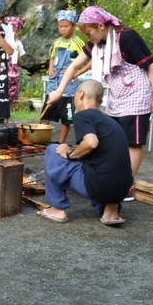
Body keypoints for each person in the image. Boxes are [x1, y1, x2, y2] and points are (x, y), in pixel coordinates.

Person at [46, 5, 153, 201]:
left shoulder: (126, 37)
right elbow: (75, 65)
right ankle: (112, 180)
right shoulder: (98, 41)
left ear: (101, 25)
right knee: (115, 140)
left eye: (89, 32)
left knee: (132, 143)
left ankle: (126, 186)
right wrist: (59, 91)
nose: (88, 37)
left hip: (138, 94)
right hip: (119, 95)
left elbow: (151, 66)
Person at [38, 80, 132, 225]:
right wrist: (75, 151)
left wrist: (69, 154)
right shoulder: (110, 122)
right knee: (97, 166)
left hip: (99, 187)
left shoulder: (83, 115)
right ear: (100, 101)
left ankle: (57, 209)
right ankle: (111, 212)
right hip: (122, 189)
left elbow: (91, 143)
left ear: (81, 94)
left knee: (52, 151)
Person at [43, 10, 92, 144]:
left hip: (69, 87)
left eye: (66, 26)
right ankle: (40, 138)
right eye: (61, 26)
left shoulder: (78, 42)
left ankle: (61, 142)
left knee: (66, 118)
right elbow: (52, 57)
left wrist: (77, 72)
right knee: (46, 111)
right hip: (54, 84)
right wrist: (50, 68)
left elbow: (91, 60)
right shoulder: (57, 42)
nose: (63, 29)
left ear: (74, 26)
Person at [3, 16, 26, 112]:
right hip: (3, 74)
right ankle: (1, 119)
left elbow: (20, 63)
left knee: (11, 99)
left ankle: (6, 119)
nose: (14, 34)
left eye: (17, 31)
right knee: (2, 97)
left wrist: (17, 52)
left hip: (14, 76)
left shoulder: (19, 44)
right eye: (12, 31)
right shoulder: (3, 42)